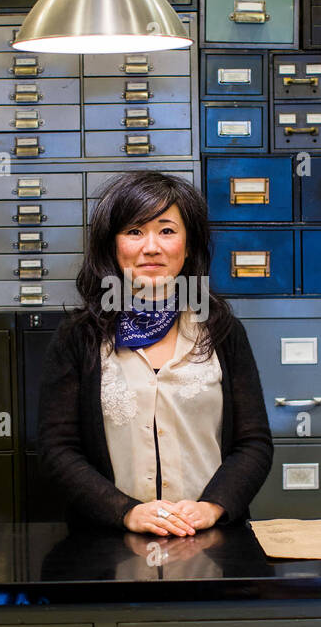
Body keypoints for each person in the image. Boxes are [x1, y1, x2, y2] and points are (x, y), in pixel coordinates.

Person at [38, 170, 273, 536]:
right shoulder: (78, 337)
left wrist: (212, 507)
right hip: (110, 543)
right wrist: (126, 512)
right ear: (112, 245)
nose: (151, 247)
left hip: (209, 539)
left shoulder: (221, 330)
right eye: (134, 232)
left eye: (166, 230)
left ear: (189, 244)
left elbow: (253, 443)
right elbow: (58, 450)